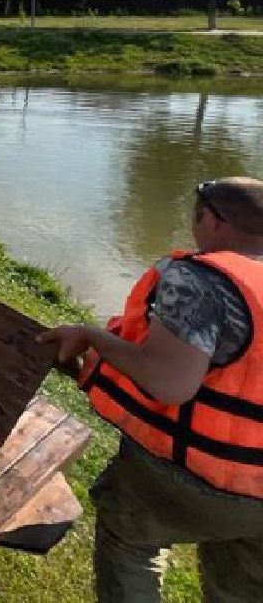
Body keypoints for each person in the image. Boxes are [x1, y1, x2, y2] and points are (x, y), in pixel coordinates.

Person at [41, 178, 263, 602]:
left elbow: (168, 383)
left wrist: (92, 337)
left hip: (195, 477)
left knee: (129, 541)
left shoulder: (203, 279)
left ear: (214, 221)